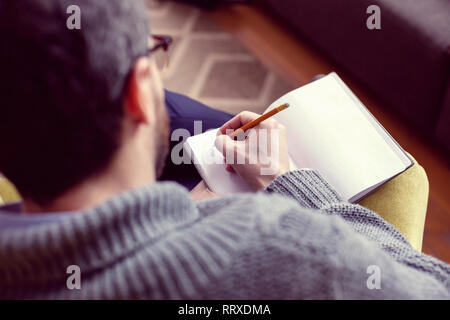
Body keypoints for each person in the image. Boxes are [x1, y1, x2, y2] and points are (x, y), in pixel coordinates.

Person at [0, 0, 448, 299]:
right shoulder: (282, 243)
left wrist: (178, 215)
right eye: (155, 52)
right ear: (138, 91)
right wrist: (286, 183)